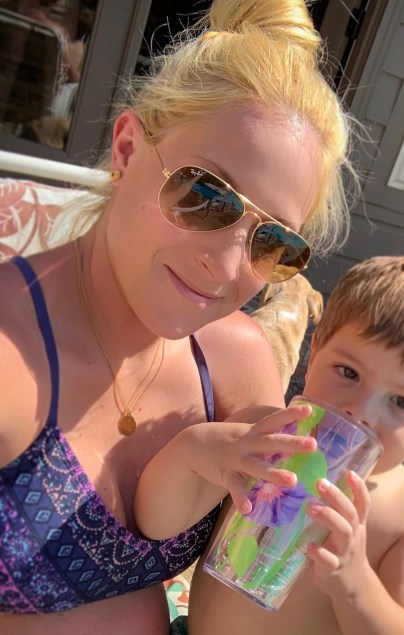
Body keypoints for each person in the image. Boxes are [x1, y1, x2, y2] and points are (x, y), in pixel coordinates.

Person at [0, 1, 359, 633]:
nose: (225, 265)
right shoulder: (13, 353)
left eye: (274, 241)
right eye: (204, 194)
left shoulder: (235, 361)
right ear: (126, 148)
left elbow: (241, 596)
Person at [134, 254, 404, 635]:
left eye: (402, 402)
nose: (359, 410)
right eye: (348, 372)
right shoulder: (257, 438)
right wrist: (196, 451)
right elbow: (154, 524)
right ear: (313, 356)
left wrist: (356, 585)